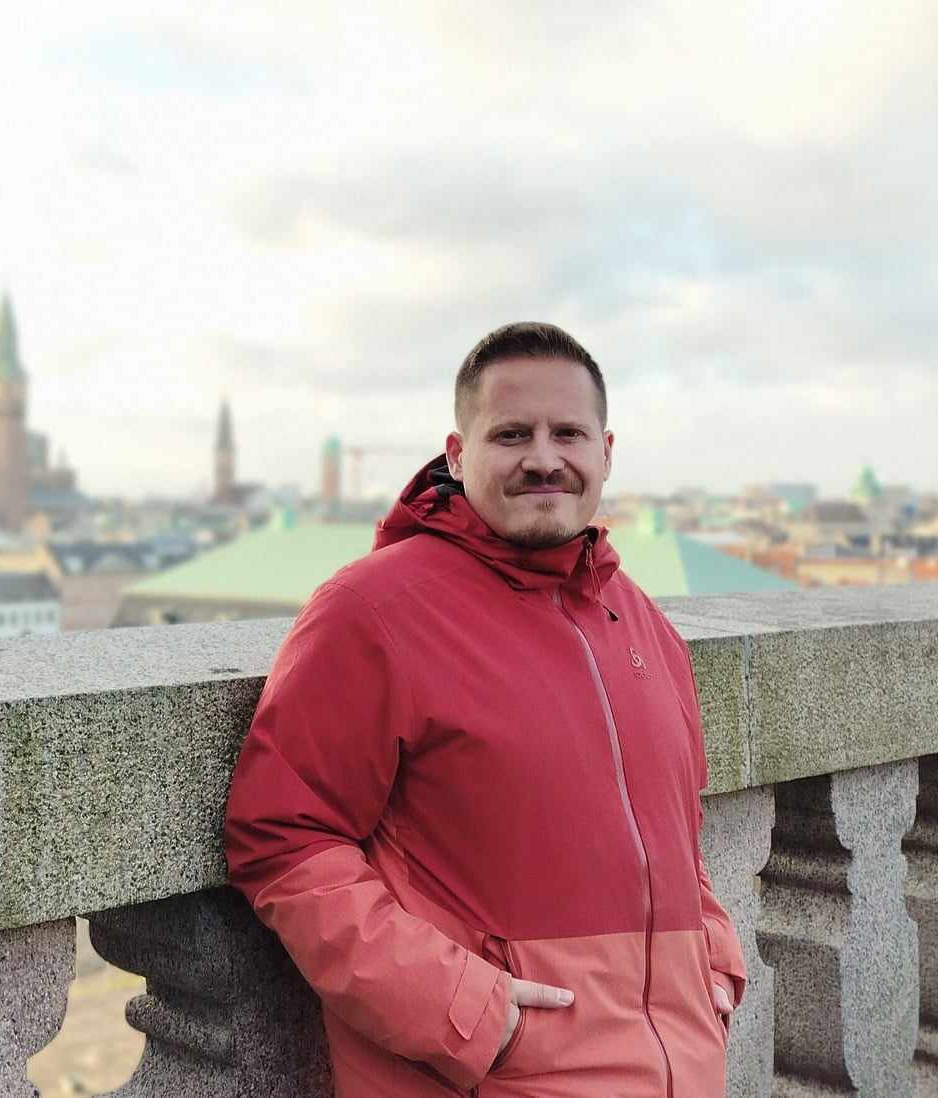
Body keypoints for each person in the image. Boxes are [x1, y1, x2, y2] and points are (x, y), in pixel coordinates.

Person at [223, 322, 746, 1097]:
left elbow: (673, 833)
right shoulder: (371, 610)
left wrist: (714, 958)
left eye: (566, 432)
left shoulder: (638, 621)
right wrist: (461, 1008)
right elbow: (283, 839)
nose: (543, 457)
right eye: (511, 434)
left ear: (604, 450)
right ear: (459, 453)